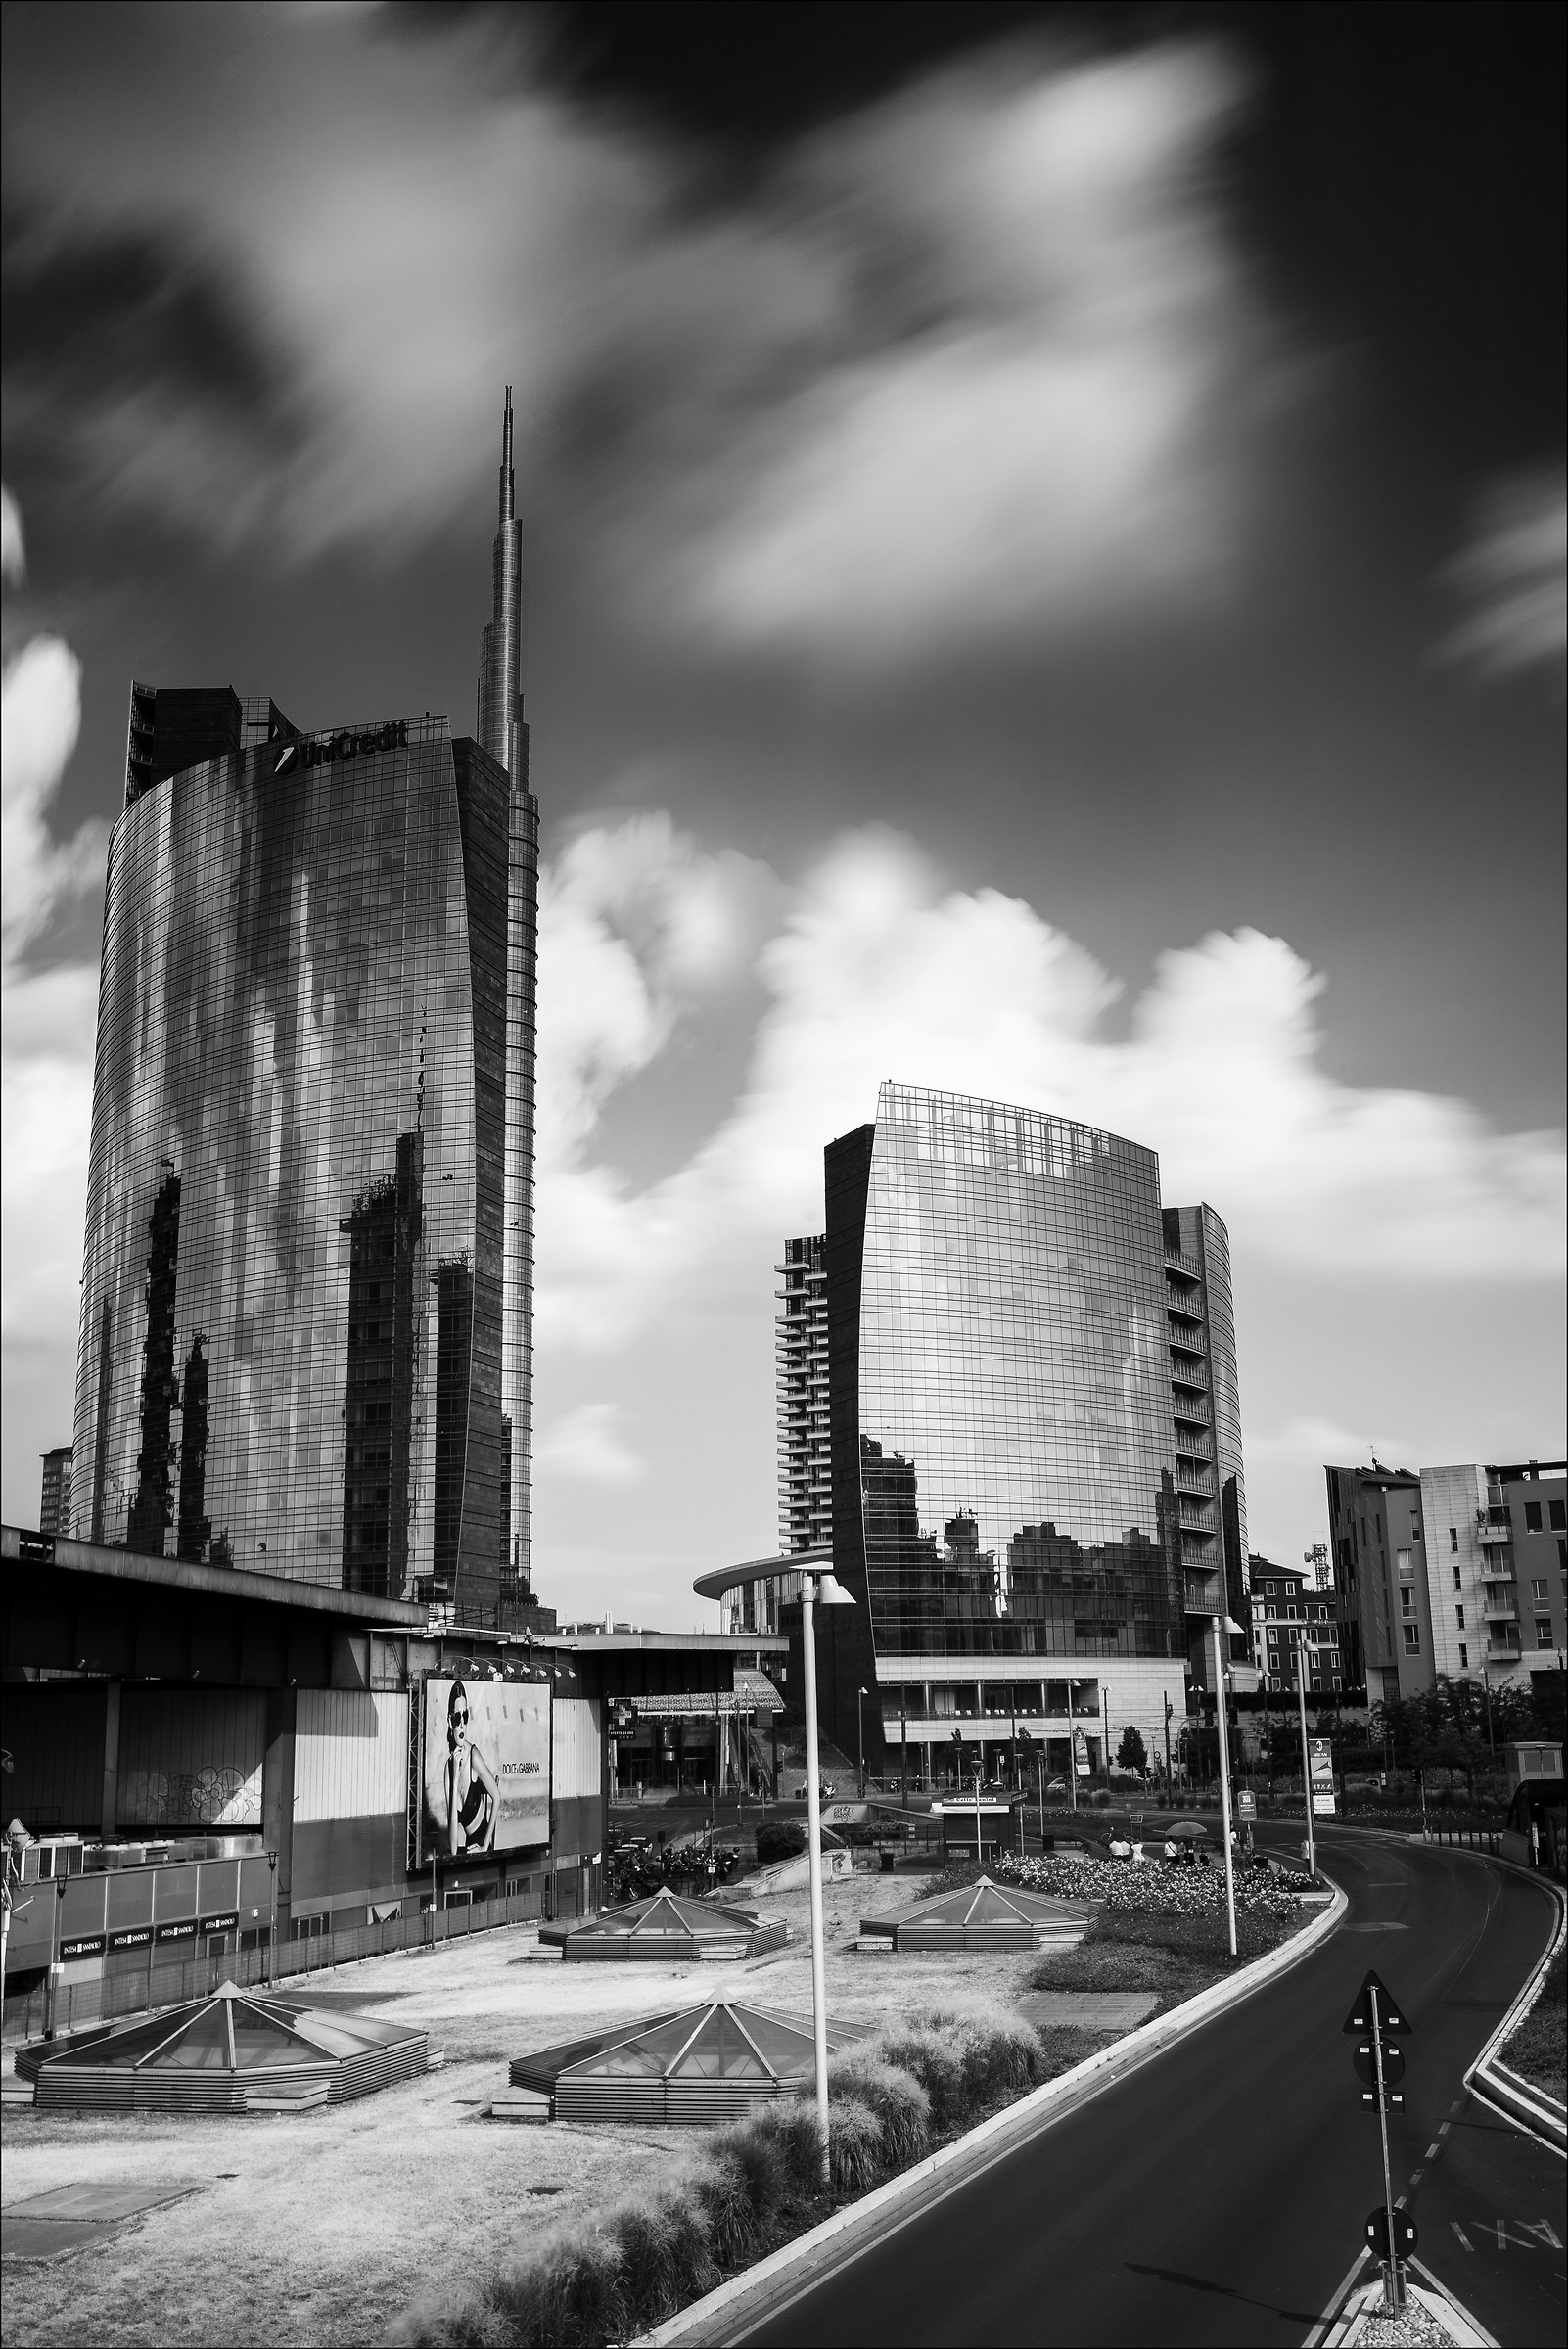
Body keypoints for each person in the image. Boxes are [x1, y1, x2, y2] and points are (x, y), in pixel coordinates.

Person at [443, 1680, 498, 1855]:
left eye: (465, 1716)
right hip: (467, 1849)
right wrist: (455, 1780)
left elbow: (497, 1796)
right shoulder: (448, 1768)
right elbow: (453, 1848)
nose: (461, 1725)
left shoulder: (474, 1755)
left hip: (481, 1847)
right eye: (457, 1717)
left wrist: (485, 1847)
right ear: (450, 1721)